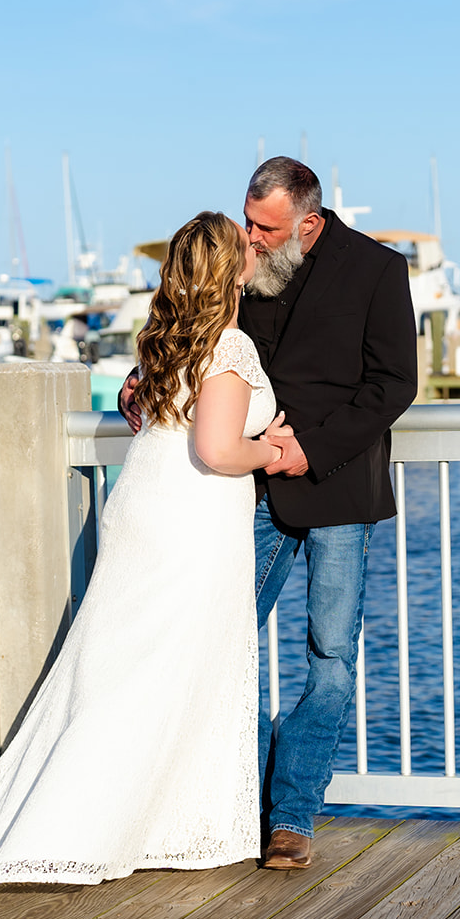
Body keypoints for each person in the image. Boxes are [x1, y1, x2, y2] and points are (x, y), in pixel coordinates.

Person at [0, 211, 290, 919]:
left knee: (117, 671)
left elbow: (142, 409)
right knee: (170, 671)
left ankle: (142, 820)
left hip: (144, 507)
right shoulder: (229, 343)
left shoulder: (171, 336)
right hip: (193, 522)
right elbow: (215, 447)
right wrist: (268, 450)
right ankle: (109, 823)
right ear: (230, 267)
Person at [121, 158, 418, 869]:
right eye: (248, 221)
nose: (250, 238)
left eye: (266, 227)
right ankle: (239, 801)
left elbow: (393, 385)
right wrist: (146, 378)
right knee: (226, 642)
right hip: (252, 493)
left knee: (330, 658)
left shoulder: (378, 270)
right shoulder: (246, 262)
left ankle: (291, 815)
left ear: (308, 223)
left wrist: (305, 451)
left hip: (339, 486)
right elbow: (200, 334)